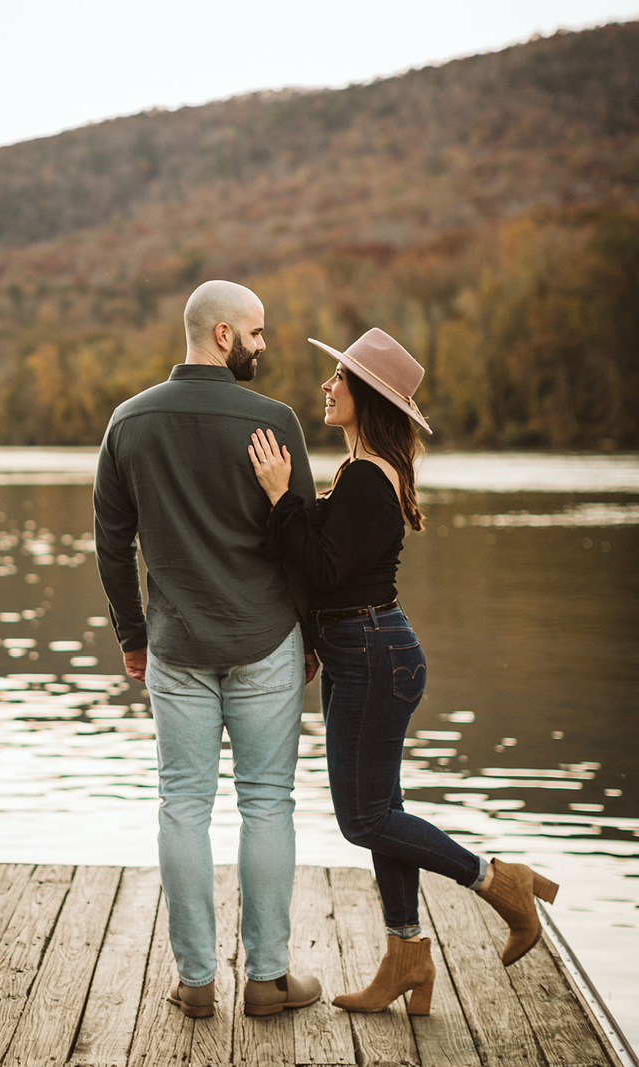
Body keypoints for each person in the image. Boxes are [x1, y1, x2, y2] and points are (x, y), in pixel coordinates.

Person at [246, 328, 559, 1015]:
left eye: (339, 379)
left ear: (367, 397)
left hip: (370, 653)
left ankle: (499, 881)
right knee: (382, 812)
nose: (327, 386)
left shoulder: (366, 476)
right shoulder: (367, 470)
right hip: (365, 649)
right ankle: (408, 955)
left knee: (364, 820)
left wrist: (278, 496)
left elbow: (322, 568)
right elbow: (332, 571)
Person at [94, 279, 322, 1020]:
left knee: (182, 807)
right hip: (266, 642)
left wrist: (134, 635)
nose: (264, 345)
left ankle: (195, 981)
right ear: (223, 334)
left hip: (177, 644)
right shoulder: (274, 420)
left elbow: (111, 544)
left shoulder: (128, 423)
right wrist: (312, 641)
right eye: (257, 332)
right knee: (266, 804)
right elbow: (304, 541)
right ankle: (268, 978)